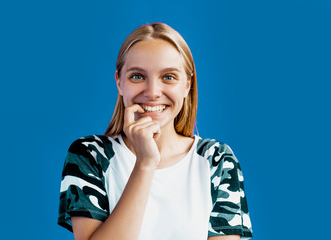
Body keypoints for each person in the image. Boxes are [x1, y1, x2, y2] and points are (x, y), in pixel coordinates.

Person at [58, 23, 253, 240]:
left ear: (187, 85)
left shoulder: (216, 160)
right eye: (137, 76)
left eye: (168, 77)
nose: (152, 93)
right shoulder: (89, 155)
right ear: (119, 82)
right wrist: (145, 163)